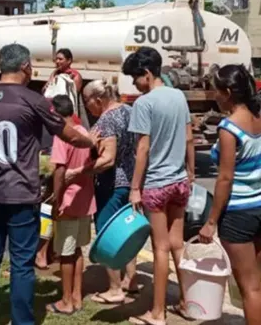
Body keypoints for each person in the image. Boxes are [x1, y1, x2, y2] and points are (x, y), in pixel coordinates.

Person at [0, 43, 97, 325]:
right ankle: (23, 320)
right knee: (21, 263)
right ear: (26, 67)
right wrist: (92, 141)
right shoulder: (32, 100)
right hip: (20, 195)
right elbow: (69, 134)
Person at [123, 46, 195, 325]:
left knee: (161, 248)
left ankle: (157, 313)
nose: (134, 84)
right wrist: (191, 171)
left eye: (135, 78)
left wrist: (135, 187)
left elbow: (143, 148)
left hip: (156, 185)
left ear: (147, 73)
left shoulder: (144, 103)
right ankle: (188, 303)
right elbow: (189, 137)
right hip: (179, 183)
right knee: (178, 245)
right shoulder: (178, 96)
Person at [198, 64, 261, 325]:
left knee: (248, 286)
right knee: (256, 280)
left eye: (216, 91)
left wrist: (211, 222)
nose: (214, 97)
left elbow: (225, 178)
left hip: (239, 213)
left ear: (228, 92)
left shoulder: (229, 128)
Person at [77, 79, 139, 304]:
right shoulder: (129, 111)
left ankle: (115, 288)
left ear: (98, 99)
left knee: (108, 236)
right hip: (130, 181)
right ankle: (131, 280)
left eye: (87, 102)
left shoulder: (107, 119)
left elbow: (108, 159)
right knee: (127, 233)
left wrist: (81, 171)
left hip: (111, 185)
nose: (87, 107)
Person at [47, 95, 96, 316]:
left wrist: (55, 201)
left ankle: (66, 300)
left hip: (68, 201)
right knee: (76, 250)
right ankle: (77, 295)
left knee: (65, 253)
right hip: (85, 200)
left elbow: (58, 171)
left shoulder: (62, 136)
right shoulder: (84, 133)